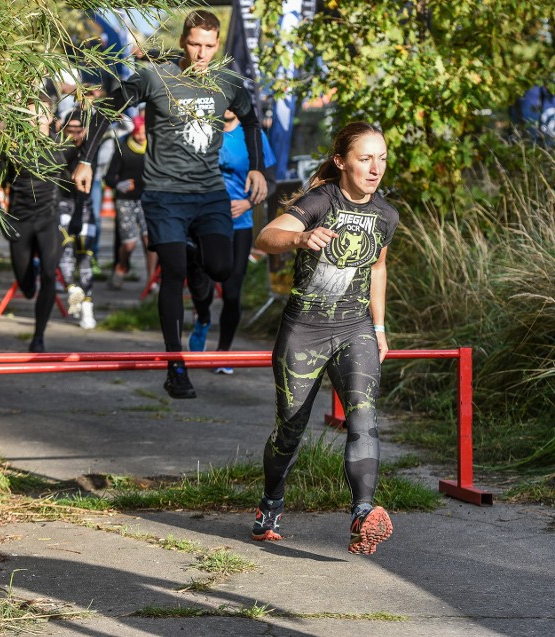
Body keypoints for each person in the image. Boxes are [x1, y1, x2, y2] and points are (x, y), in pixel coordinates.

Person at [74, 10, 268, 399]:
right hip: (164, 194)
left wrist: (259, 170)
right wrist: (86, 160)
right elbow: (107, 110)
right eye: (195, 44)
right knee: (173, 271)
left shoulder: (226, 81)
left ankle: (197, 269)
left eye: (209, 46)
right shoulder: (155, 77)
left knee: (220, 266)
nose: (201, 53)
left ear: (217, 45)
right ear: (183, 41)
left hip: (210, 192)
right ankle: (175, 365)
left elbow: (250, 120)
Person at [251, 121, 399, 555]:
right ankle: (271, 504)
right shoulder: (321, 199)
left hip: (354, 329)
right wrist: (300, 236)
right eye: (365, 158)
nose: (376, 168)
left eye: (382, 158)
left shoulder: (386, 214)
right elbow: (266, 236)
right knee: (290, 430)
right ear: (341, 162)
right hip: (305, 331)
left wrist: (380, 328)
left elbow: (377, 268)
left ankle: (363, 514)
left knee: (364, 418)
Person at [187, 110, 276, 373]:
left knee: (233, 291)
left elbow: (270, 181)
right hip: (203, 221)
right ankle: (202, 318)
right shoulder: (201, 128)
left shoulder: (253, 135)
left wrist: (248, 202)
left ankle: (223, 353)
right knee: (202, 287)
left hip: (240, 222)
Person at [0, 102, 64, 353]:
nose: (35, 118)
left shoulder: (61, 147)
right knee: (27, 288)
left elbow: (80, 178)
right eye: (30, 113)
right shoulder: (11, 148)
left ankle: (38, 337)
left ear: (50, 117)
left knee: (50, 274)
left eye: (41, 113)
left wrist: (79, 214)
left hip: (49, 220)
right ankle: (29, 280)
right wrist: (1, 217)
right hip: (20, 221)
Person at [103, 113, 157, 290]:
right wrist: (118, 184)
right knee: (129, 243)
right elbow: (108, 177)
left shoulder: (154, 148)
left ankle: (151, 280)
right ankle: (121, 266)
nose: (141, 137)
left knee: (150, 241)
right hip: (126, 200)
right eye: (138, 133)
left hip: (148, 199)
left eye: (144, 133)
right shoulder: (123, 147)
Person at [58, 110, 98, 330]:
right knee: (65, 251)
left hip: (84, 205)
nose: (74, 135)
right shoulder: (58, 148)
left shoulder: (91, 150)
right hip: (62, 203)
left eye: (78, 130)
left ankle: (87, 308)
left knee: (85, 256)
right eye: (69, 130)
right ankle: (72, 289)